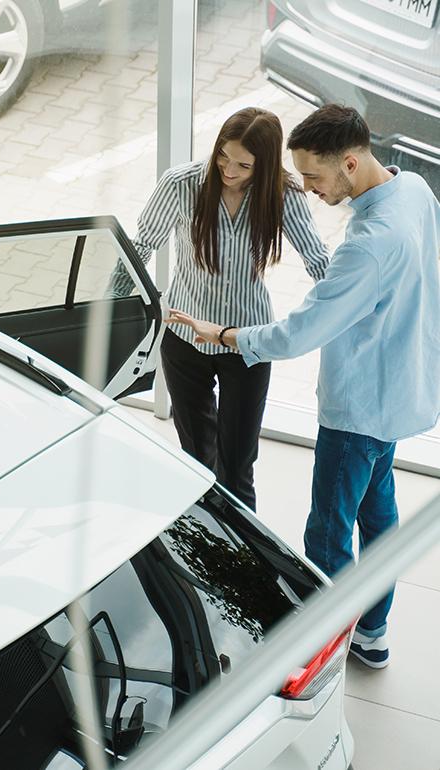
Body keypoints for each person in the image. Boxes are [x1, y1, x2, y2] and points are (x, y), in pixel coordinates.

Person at [169, 104, 440, 669]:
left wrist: (223, 333)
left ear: (348, 162)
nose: (310, 191)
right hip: (398, 391)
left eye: (314, 177)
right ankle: (371, 629)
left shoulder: (366, 244)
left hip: (358, 405)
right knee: (378, 516)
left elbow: (299, 333)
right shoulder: (413, 190)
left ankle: (319, 649)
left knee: (327, 533)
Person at [124, 107, 328, 511]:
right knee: (197, 460)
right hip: (183, 337)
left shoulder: (282, 195)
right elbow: (140, 247)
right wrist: (112, 308)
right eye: (223, 156)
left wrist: (351, 309)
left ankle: (246, 564)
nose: (229, 170)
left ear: (264, 165)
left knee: (237, 466)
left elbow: (318, 259)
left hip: (247, 344)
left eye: (243, 164)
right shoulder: (181, 184)